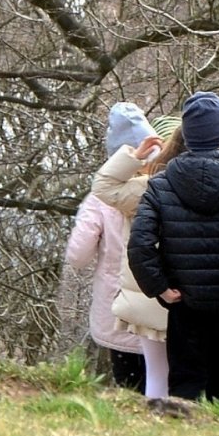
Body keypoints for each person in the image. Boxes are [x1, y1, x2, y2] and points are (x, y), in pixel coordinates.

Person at [128, 92, 219, 400]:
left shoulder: (162, 183)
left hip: (184, 303)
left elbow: (140, 245)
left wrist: (160, 287)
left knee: (183, 385)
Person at [92, 117, 186, 402]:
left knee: (157, 375)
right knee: (190, 377)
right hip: (202, 295)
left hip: (152, 296)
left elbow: (104, 187)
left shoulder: (147, 188)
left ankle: (153, 427)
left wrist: (134, 156)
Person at [66, 102, 154, 392]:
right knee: (161, 386)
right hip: (161, 308)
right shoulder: (164, 188)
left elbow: (77, 256)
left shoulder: (99, 199)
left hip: (116, 311)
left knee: (129, 390)